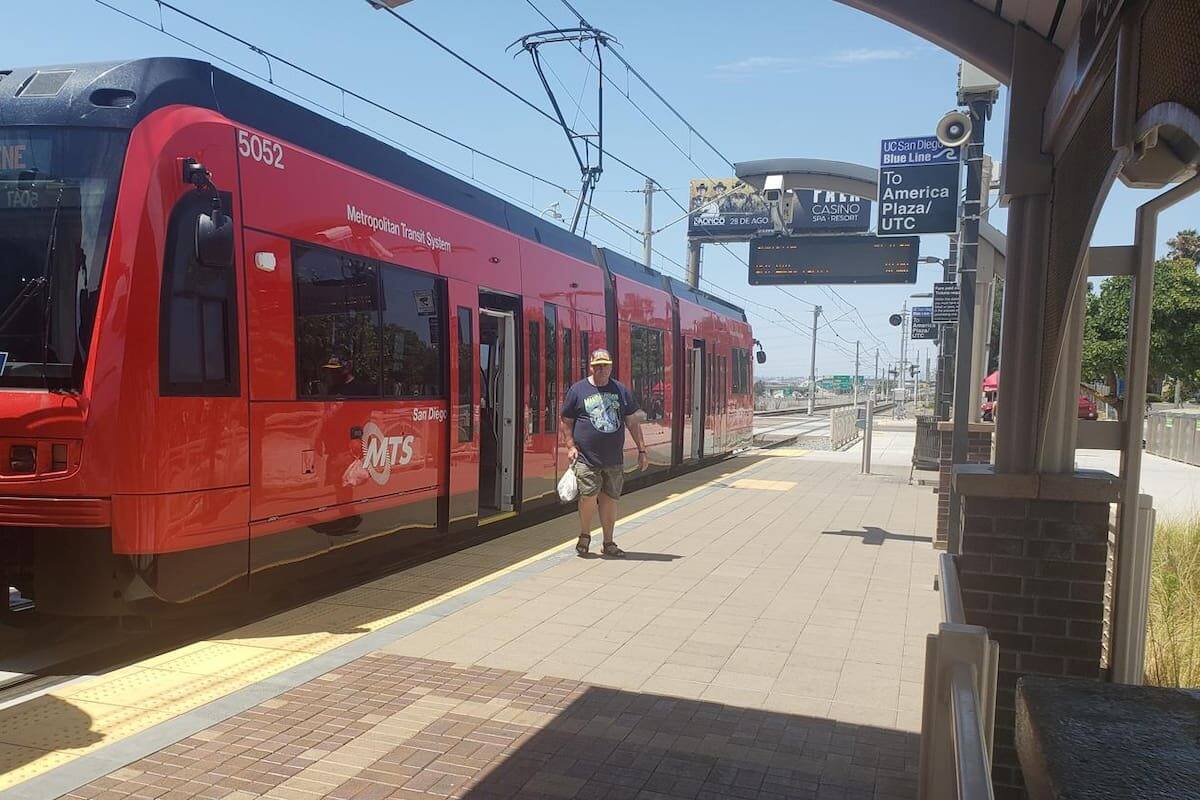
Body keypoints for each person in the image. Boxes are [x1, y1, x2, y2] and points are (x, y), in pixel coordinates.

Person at [560, 348, 648, 557]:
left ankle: (608, 542)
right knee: (588, 497)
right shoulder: (578, 390)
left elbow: (632, 422)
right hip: (586, 457)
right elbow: (566, 421)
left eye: (605, 366)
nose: (601, 369)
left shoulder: (621, 390)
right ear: (590, 367)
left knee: (610, 499)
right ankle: (585, 535)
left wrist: (642, 450)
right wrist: (570, 446)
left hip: (613, 458)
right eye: (597, 366)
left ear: (611, 367)